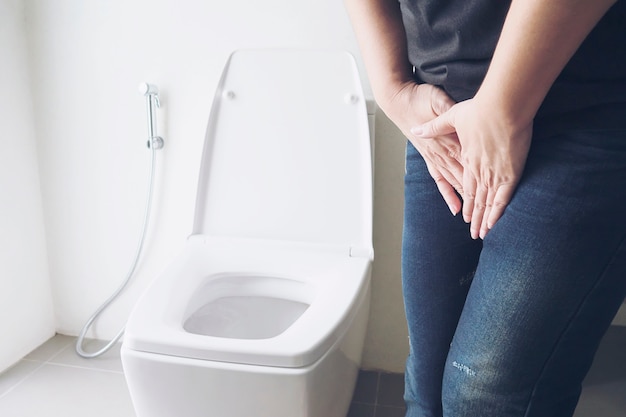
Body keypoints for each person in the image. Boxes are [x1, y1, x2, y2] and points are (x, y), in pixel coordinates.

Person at [344, 0, 626, 416]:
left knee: (483, 400)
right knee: (426, 387)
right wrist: (392, 90)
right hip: (445, 123)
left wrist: (504, 108)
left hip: (587, 112)